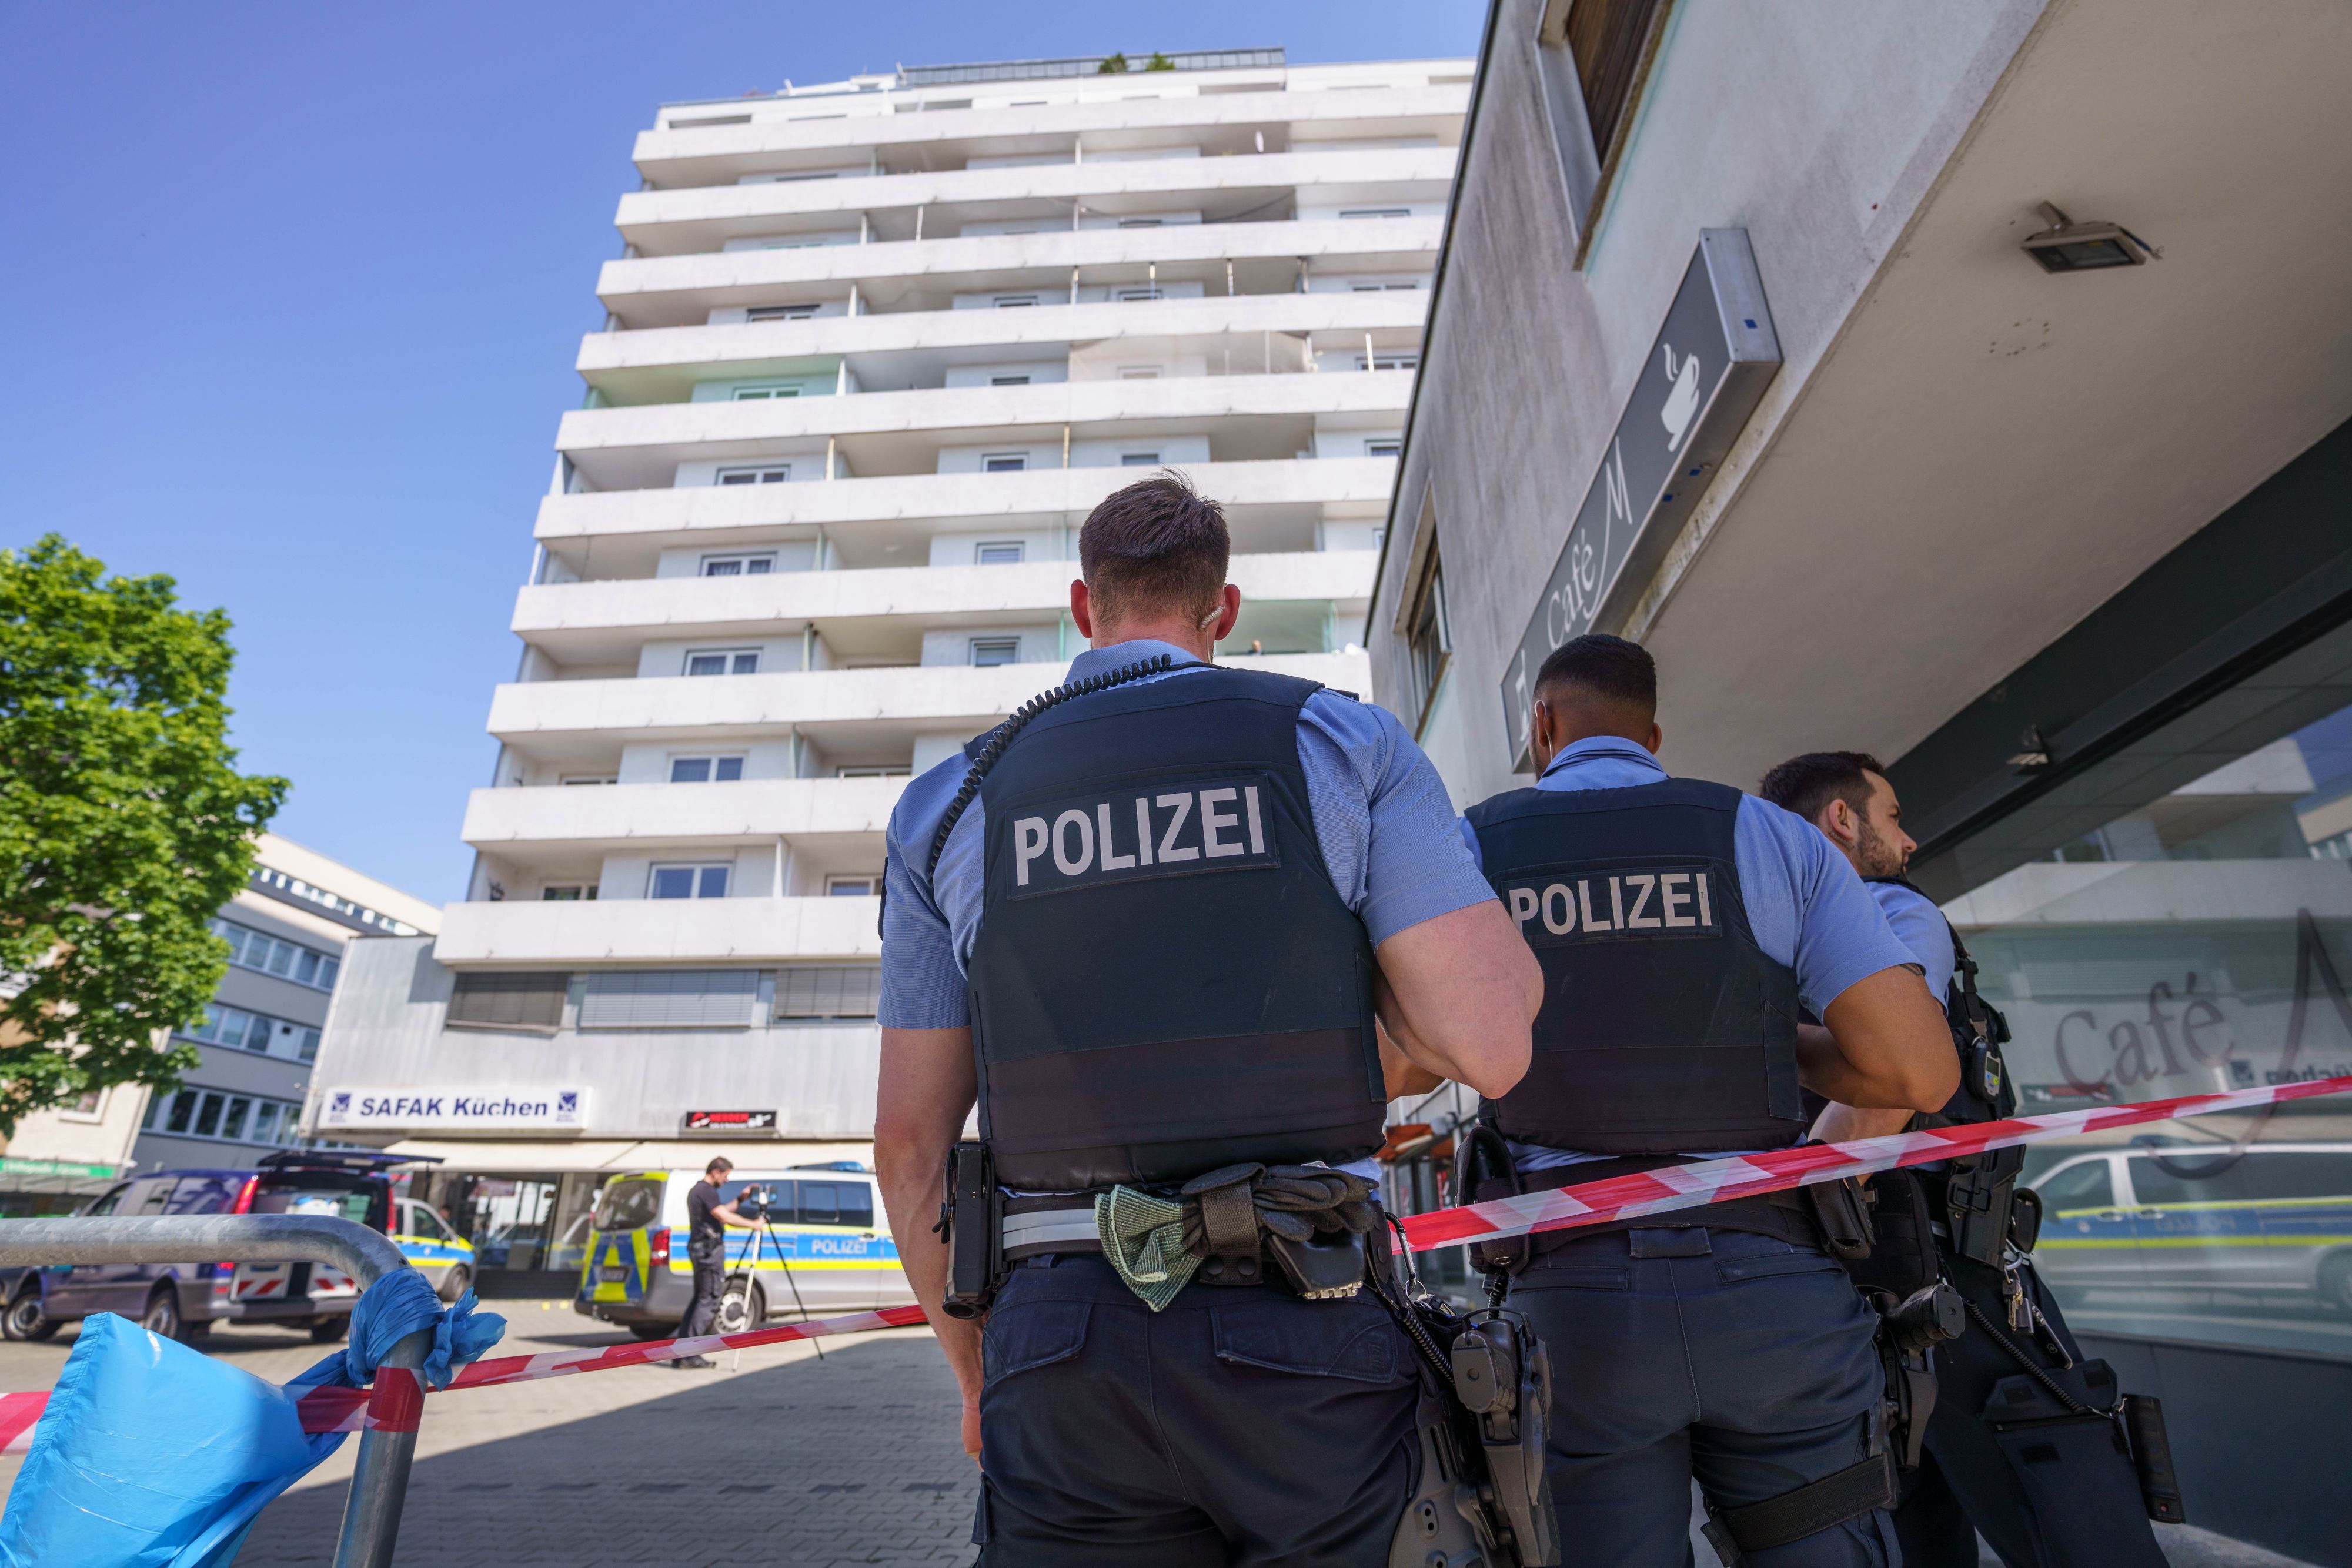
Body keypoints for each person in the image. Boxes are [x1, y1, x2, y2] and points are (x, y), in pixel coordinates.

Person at [875, 472, 1542, 1565]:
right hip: (1307, 1322)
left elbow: (908, 1144)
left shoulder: (946, 803)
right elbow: (1489, 1045)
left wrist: (975, 1373)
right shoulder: (1345, 743)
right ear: (1221, 610)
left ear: (1083, 609)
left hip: (1059, 1345)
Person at [1442, 634, 1957, 1566]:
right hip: (1773, 1292)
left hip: (1577, 1311)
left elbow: (1409, 1059)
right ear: (1656, 734)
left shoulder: (1474, 843)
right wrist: (1758, 1039)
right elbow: (1916, 1074)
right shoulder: (1771, 834)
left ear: (1542, 726)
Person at [1759, 751, 2165, 1568]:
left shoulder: (1770, 946)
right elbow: (1891, 1085)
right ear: (1843, 819)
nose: (1908, 840)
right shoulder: (1885, 909)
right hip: (1951, 1281)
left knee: (1911, 1518)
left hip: (1857, 1287)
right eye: (1894, 814)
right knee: (2070, 1508)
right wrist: (1813, 1192)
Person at [673, 1156, 756, 1370]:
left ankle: (681, 1353)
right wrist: (754, 1225)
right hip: (708, 1254)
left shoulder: (700, 1191)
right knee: (709, 1301)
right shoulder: (705, 1190)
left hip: (701, 1251)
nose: (727, 1180)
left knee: (700, 1300)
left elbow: (722, 1212)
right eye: (726, 1176)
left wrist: (741, 1199)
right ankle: (688, 1355)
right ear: (716, 1172)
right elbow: (725, 1217)